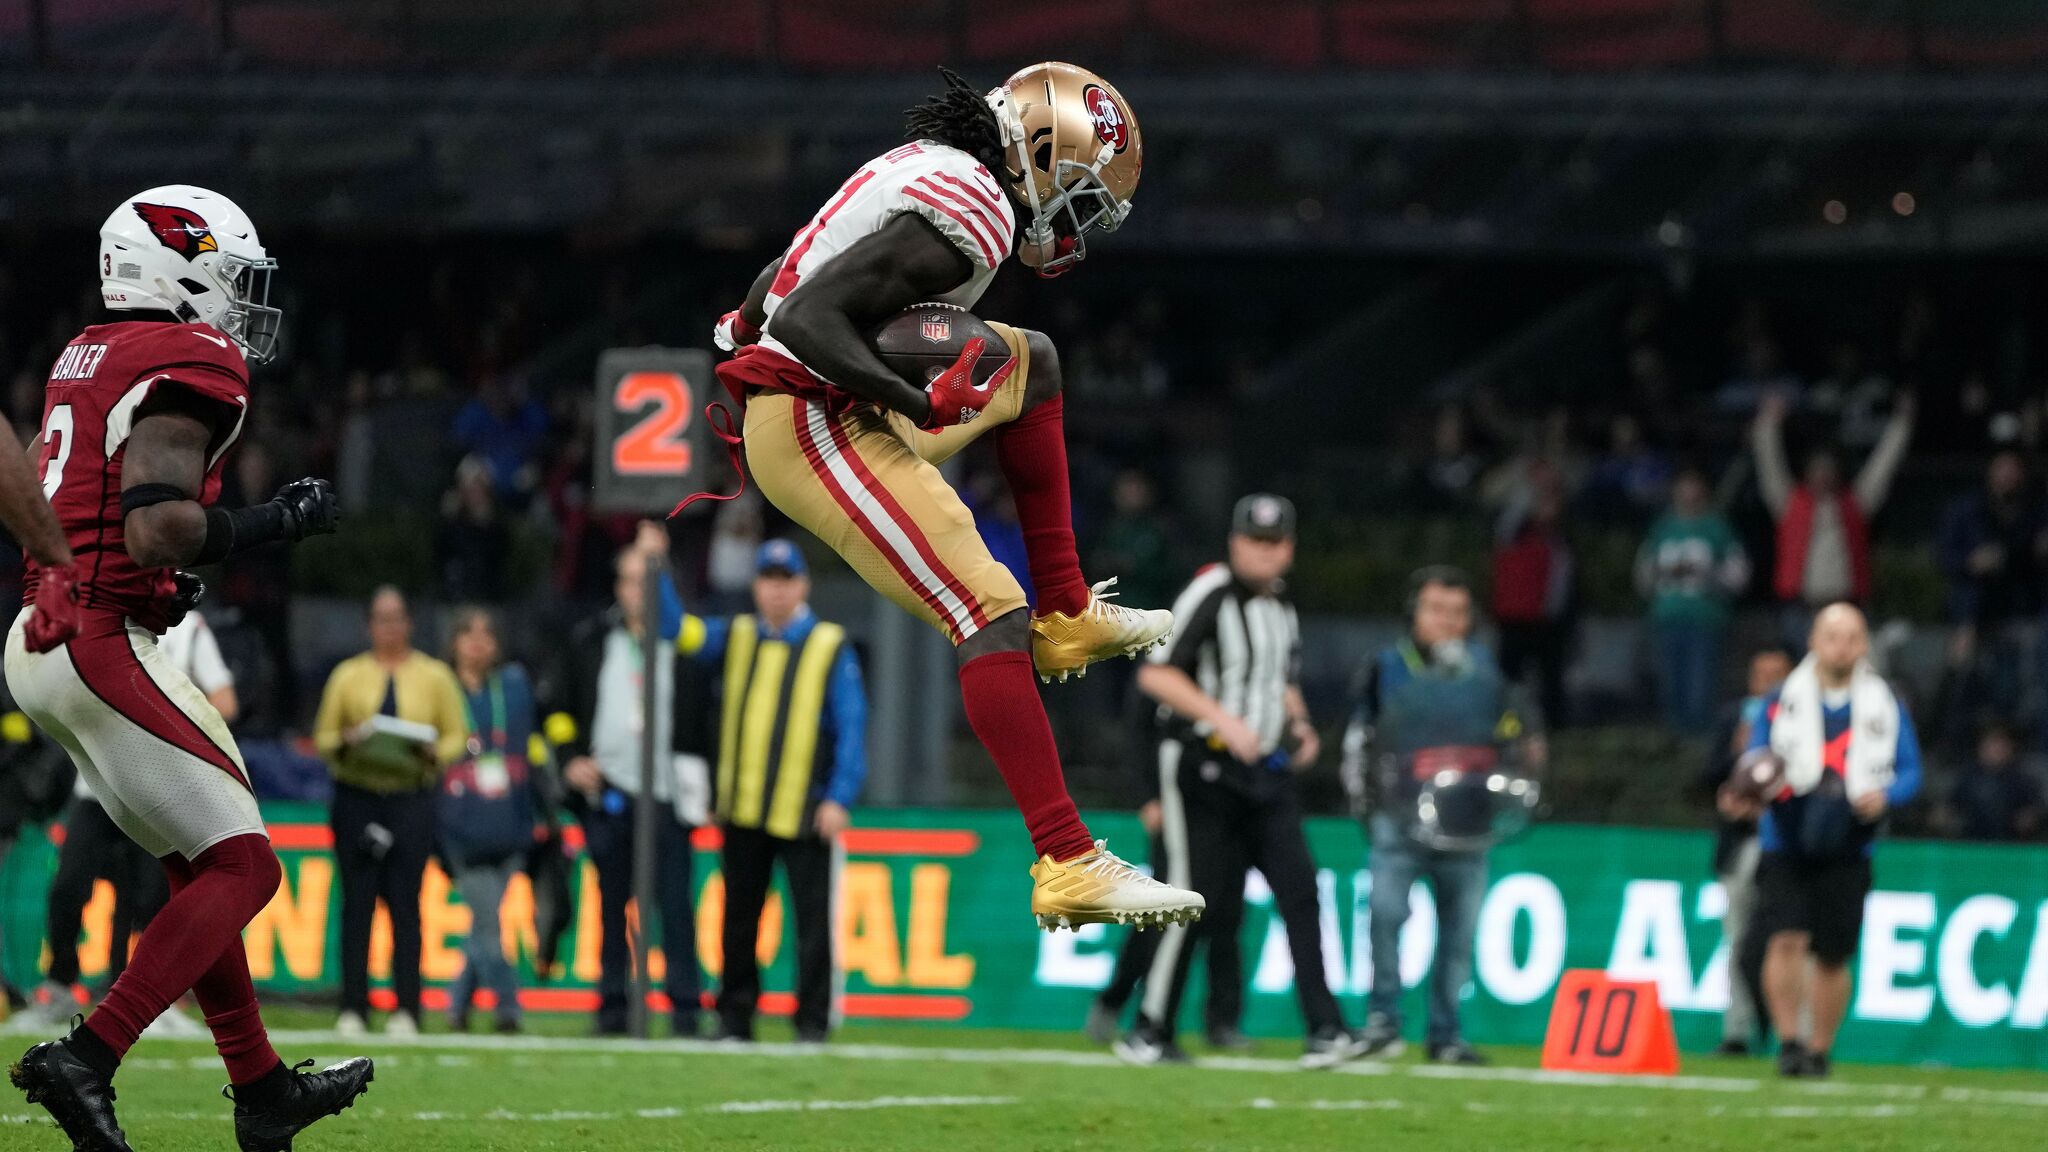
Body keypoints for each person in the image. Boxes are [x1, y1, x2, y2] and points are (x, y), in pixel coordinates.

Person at [707, 63, 1199, 929]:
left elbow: (771, 295)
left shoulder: (939, 166)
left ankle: (1069, 611)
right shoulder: (974, 207)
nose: (1076, 226)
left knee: (1032, 365)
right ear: (1044, 155)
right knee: (986, 609)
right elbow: (806, 319)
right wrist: (913, 397)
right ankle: (1067, 857)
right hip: (816, 423)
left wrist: (750, 329)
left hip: (825, 400)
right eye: (1079, 198)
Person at [4, 184, 366, 1152]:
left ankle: (259, 1088)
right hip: (98, 635)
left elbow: (54, 482)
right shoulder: (190, 353)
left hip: (47, 634)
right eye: (233, 275)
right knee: (246, 867)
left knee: (194, 865)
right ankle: (89, 1054)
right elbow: (157, 526)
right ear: (179, 264)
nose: (241, 302)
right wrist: (274, 522)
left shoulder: (88, 353)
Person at [1120, 495, 1362, 1069]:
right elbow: (1155, 674)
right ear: (1233, 542)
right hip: (1201, 767)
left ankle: (1325, 1029)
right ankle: (1150, 1029)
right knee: (1188, 893)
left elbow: (1282, 681)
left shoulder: (1282, 608)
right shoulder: (1210, 593)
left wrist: (1299, 725)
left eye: (1275, 541)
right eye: (1255, 539)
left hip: (1263, 774)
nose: (1264, 550)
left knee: (1301, 891)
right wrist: (1222, 719)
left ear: (1290, 549)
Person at [659, 540, 867, 1043]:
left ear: (802, 585)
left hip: (805, 807)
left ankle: (811, 1021)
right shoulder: (737, 635)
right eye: (768, 580)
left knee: (811, 923)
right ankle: (735, 1016)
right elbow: (675, 631)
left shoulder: (828, 644)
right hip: (744, 805)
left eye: (785, 579)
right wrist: (656, 567)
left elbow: (852, 724)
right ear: (756, 586)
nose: (776, 590)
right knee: (738, 920)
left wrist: (840, 796)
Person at [1344, 566, 1544, 1065]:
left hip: (1468, 821)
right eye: (1436, 610)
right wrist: (1366, 807)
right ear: (1415, 613)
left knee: (1459, 934)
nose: (1447, 622)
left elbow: (1519, 736)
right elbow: (1359, 741)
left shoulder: (1488, 670)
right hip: (1398, 818)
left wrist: (1518, 785)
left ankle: (1446, 1033)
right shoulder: (1385, 667)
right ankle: (1383, 1020)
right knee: (1386, 916)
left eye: (1457, 613)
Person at [1728, 603, 1923, 1079]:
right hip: (1787, 833)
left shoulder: (1885, 702)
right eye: (1832, 635)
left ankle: (1820, 1047)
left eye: (1852, 636)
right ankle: (1789, 1040)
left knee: (1833, 953)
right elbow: (1757, 755)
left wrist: (1888, 795)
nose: (1842, 645)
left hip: (1851, 837)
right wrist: (1751, 787)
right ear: (1814, 641)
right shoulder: (1781, 700)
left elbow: (1911, 770)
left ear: (1863, 644)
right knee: (1785, 937)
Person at [31, 608, 240, 1037]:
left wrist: (173, 719)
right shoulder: (98, 617)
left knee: (149, 898)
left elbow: (225, 702)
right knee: (68, 886)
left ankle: (149, 1002)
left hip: (158, 788)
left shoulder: (189, 628)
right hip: (97, 785)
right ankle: (60, 984)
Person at [547, 531, 706, 1037]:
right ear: (618, 587)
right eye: (632, 580)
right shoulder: (591, 640)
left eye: (649, 580)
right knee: (611, 906)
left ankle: (685, 1011)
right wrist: (570, 759)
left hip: (667, 796)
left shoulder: (682, 640)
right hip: (610, 792)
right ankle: (611, 1008)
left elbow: (711, 715)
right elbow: (557, 709)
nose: (638, 591)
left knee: (676, 907)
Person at [313, 586, 468, 1038]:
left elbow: (458, 735)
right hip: (358, 794)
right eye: (381, 618)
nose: (390, 627)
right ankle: (353, 1007)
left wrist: (432, 751)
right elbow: (323, 737)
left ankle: (407, 1008)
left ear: (410, 622)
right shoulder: (348, 675)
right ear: (369, 625)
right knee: (357, 903)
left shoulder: (435, 676)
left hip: (410, 797)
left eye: (397, 617)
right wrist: (351, 739)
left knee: (405, 903)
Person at [437, 607, 551, 1034]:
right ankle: (509, 1010)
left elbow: (536, 747)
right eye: (468, 631)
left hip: (510, 821)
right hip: (460, 825)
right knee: (488, 923)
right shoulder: (439, 688)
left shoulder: (516, 686)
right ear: (453, 642)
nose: (478, 641)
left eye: (487, 632)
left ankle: (457, 1008)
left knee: (483, 924)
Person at [1751, 391, 1914, 645]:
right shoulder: (1789, 503)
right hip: (1801, 611)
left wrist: (1901, 423)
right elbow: (1769, 464)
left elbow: (1883, 465)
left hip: (1845, 610)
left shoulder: (1856, 504)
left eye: (1829, 469)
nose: (1823, 475)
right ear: (1807, 473)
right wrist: (1768, 422)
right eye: (1817, 469)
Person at [1698, 646, 1793, 1056]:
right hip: (1742, 842)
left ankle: (1795, 1034)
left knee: (1791, 940)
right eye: (1762, 673)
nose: (1769, 682)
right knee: (1737, 940)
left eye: (1778, 673)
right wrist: (1735, 764)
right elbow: (1708, 776)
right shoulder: (1734, 718)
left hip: (1788, 844)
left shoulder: (1804, 718)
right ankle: (1737, 1031)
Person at [1636, 466, 1751, 733]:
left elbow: (1739, 575)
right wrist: (1663, 575)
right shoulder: (1662, 528)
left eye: (1694, 486)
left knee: (1700, 691)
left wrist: (1707, 575)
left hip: (1705, 620)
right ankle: (1673, 746)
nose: (1688, 493)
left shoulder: (1717, 528)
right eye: (1683, 486)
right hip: (1667, 619)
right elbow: (1643, 573)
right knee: (1670, 690)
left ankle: (1701, 750)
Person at [1935, 719, 2043, 842]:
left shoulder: (2022, 780)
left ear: (2010, 749)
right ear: (1980, 748)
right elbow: (1949, 805)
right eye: (1991, 745)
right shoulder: (1967, 778)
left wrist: (2029, 818)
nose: (1996, 750)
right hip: (1970, 843)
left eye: (2001, 745)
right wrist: (1944, 816)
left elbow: (2032, 811)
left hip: (2011, 845)